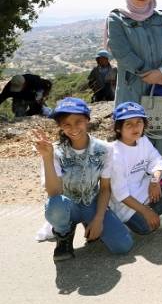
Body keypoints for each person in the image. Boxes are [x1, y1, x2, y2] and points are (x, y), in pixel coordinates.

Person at [33, 98, 133, 261]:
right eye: (66, 124)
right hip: (67, 207)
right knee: (55, 204)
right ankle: (64, 234)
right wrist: (47, 158)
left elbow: (105, 188)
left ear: (87, 120)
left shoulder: (104, 149)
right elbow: (54, 192)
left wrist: (98, 219)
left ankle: (89, 222)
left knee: (123, 246)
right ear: (60, 126)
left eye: (78, 121)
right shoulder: (54, 151)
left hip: (92, 204)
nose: (73, 128)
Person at [106, 0, 162, 165]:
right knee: (132, 141)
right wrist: (149, 74)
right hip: (132, 90)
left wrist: (161, 72)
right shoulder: (117, 18)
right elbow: (122, 53)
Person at [108, 102, 162, 234]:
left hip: (145, 191)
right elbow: (121, 194)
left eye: (139, 122)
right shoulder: (115, 154)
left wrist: (154, 181)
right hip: (126, 205)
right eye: (129, 124)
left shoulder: (143, 140)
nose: (135, 127)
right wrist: (145, 211)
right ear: (118, 128)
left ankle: (159, 213)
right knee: (146, 228)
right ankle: (142, 217)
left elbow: (157, 161)